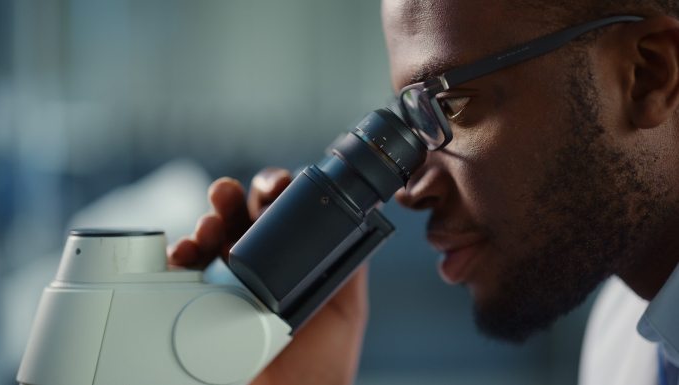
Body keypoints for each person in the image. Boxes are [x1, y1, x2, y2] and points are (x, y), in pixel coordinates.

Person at [169, 0, 679, 384]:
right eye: (408, 120)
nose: (407, 190)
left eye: (451, 106)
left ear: (646, 76)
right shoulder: (625, 341)